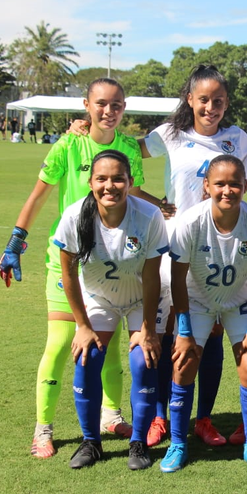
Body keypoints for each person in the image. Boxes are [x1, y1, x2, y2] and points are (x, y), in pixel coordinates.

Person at [0, 77, 160, 459]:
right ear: (86, 106)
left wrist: (163, 208)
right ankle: (44, 428)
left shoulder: (126, 148)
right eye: (101, 103)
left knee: (115, 348)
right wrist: (15, 242)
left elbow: (133, 193)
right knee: (61, 345)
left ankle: (110, 416)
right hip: (68, 262)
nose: (109, 110)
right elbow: (38, 196)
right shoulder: (69, 143)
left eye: (117, 104)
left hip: (117, 263)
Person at [162, 154, 247, 473]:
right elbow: (176, 278)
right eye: (220, 184)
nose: (227, 190)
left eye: (234, 184)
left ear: (245, 186)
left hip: (241, 298)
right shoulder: (190, 222)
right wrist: (183, 330)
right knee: (184, 362)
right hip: (197, 298)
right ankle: (177, 444)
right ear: (206, 186)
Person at [54, 150, 168, 470]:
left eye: (118, 178)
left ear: (131, 182)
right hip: (98, 299)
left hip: (141, 300)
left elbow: (151, 275)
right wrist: (82, 326)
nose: (110, 186)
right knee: (87, 357)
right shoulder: (76, 216)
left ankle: (138, 443)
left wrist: (146, 329)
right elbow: (68, 274)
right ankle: (91, 442)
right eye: (101, 178)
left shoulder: (148, 216)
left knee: (143, 362)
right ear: (90, 182)